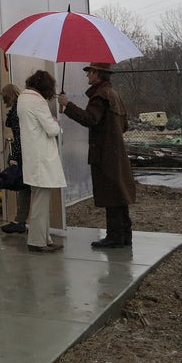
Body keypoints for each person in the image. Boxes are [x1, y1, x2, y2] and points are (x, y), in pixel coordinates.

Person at [58, 62, 136, 248]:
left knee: (111, 195)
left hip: (105, 154)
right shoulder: (114, 94)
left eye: (89, 72)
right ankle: (124, 235)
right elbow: (125, 125)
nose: (87, 76)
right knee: (119, 195)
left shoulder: (100, 96)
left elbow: (90, 119)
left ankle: (115, 237)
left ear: (97, 74)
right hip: (116, 153)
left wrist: (67, 105)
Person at [17, 70, 65, 252]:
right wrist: (55, 122)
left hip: (31, 157)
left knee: (39, 199)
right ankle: (37, 241)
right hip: (42, 158)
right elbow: (51, 130)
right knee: (40, 202)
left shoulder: (23, 98)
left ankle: (45, 238)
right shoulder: (38, 101)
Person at [0, 83, 30, 234]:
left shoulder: (16, 110)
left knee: (22, 187)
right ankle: (20, 219)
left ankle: (20, 220)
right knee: (25, 188)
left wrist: (14, 156)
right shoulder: (23, 105)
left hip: (22, 152)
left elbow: (18, 136)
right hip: (27, 151)